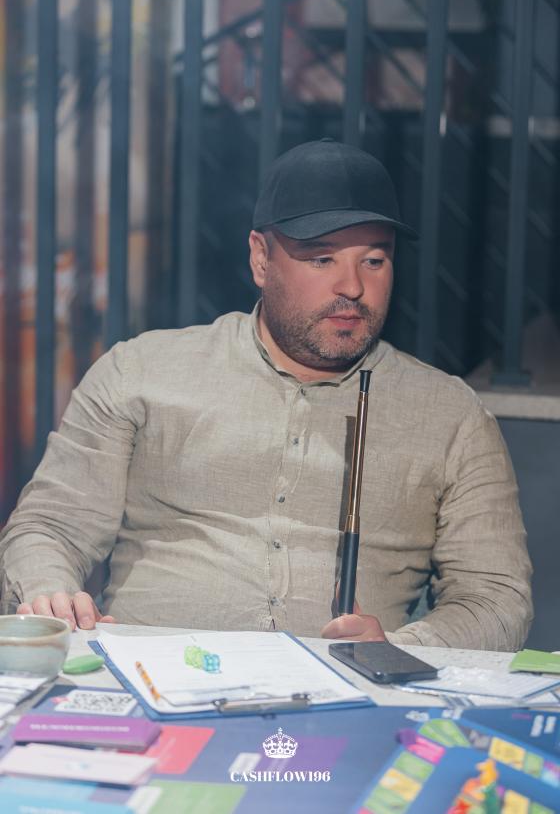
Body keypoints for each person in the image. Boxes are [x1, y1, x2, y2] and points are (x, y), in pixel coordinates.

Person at [0, 139, 532, 650]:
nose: (352, 286)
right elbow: (49, 527)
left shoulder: (451, 416)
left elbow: (496, 600)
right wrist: (51, 595)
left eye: (374, 260)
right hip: (153, 681)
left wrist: (396, 648)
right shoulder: (140, 372)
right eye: (321, 259)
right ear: (260, 258)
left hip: (347, 695)